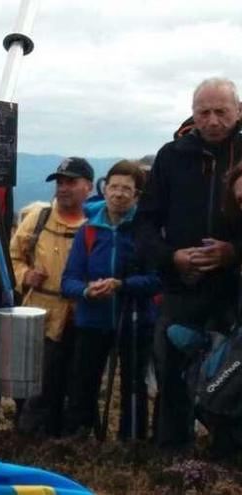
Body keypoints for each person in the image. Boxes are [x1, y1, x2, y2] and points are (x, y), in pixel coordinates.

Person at [135, 77, 242, 452]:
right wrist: (172, 258)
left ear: (239, 111)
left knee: (234, 378)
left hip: (235, 289)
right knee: (172, 375)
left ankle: (227, 461)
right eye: (204, 112)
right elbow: (145, 223)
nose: (212, 120)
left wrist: (232, 252)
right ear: (193, 114)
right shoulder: (171, 155)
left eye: (221, 112)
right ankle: (172, 461)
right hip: (182, 288)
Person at [61, 160, 160, 439]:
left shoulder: (145, 231)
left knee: (133, 386)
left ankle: (132, 444)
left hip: (135, 320)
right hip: (92, 319)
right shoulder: (89, 230)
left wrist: (122, 285)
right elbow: (69, 280)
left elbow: (158, 279)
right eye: (114, 187)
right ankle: (78, 442)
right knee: (83, 383)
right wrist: (86, 291)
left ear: (137, 195)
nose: (119, 194)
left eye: (126, 189)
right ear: (105, 190)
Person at [9, 157, 93, 437]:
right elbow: (13, 255)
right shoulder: (38, 218)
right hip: (40, 315)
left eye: (71, 182)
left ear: (89, 187)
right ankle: (30, 439)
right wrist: (24, 276)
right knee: (38, 383)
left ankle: (69, 438)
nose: (63, 188)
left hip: (83, 316)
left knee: (77, 382)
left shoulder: (96, 223)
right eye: (60, 182)